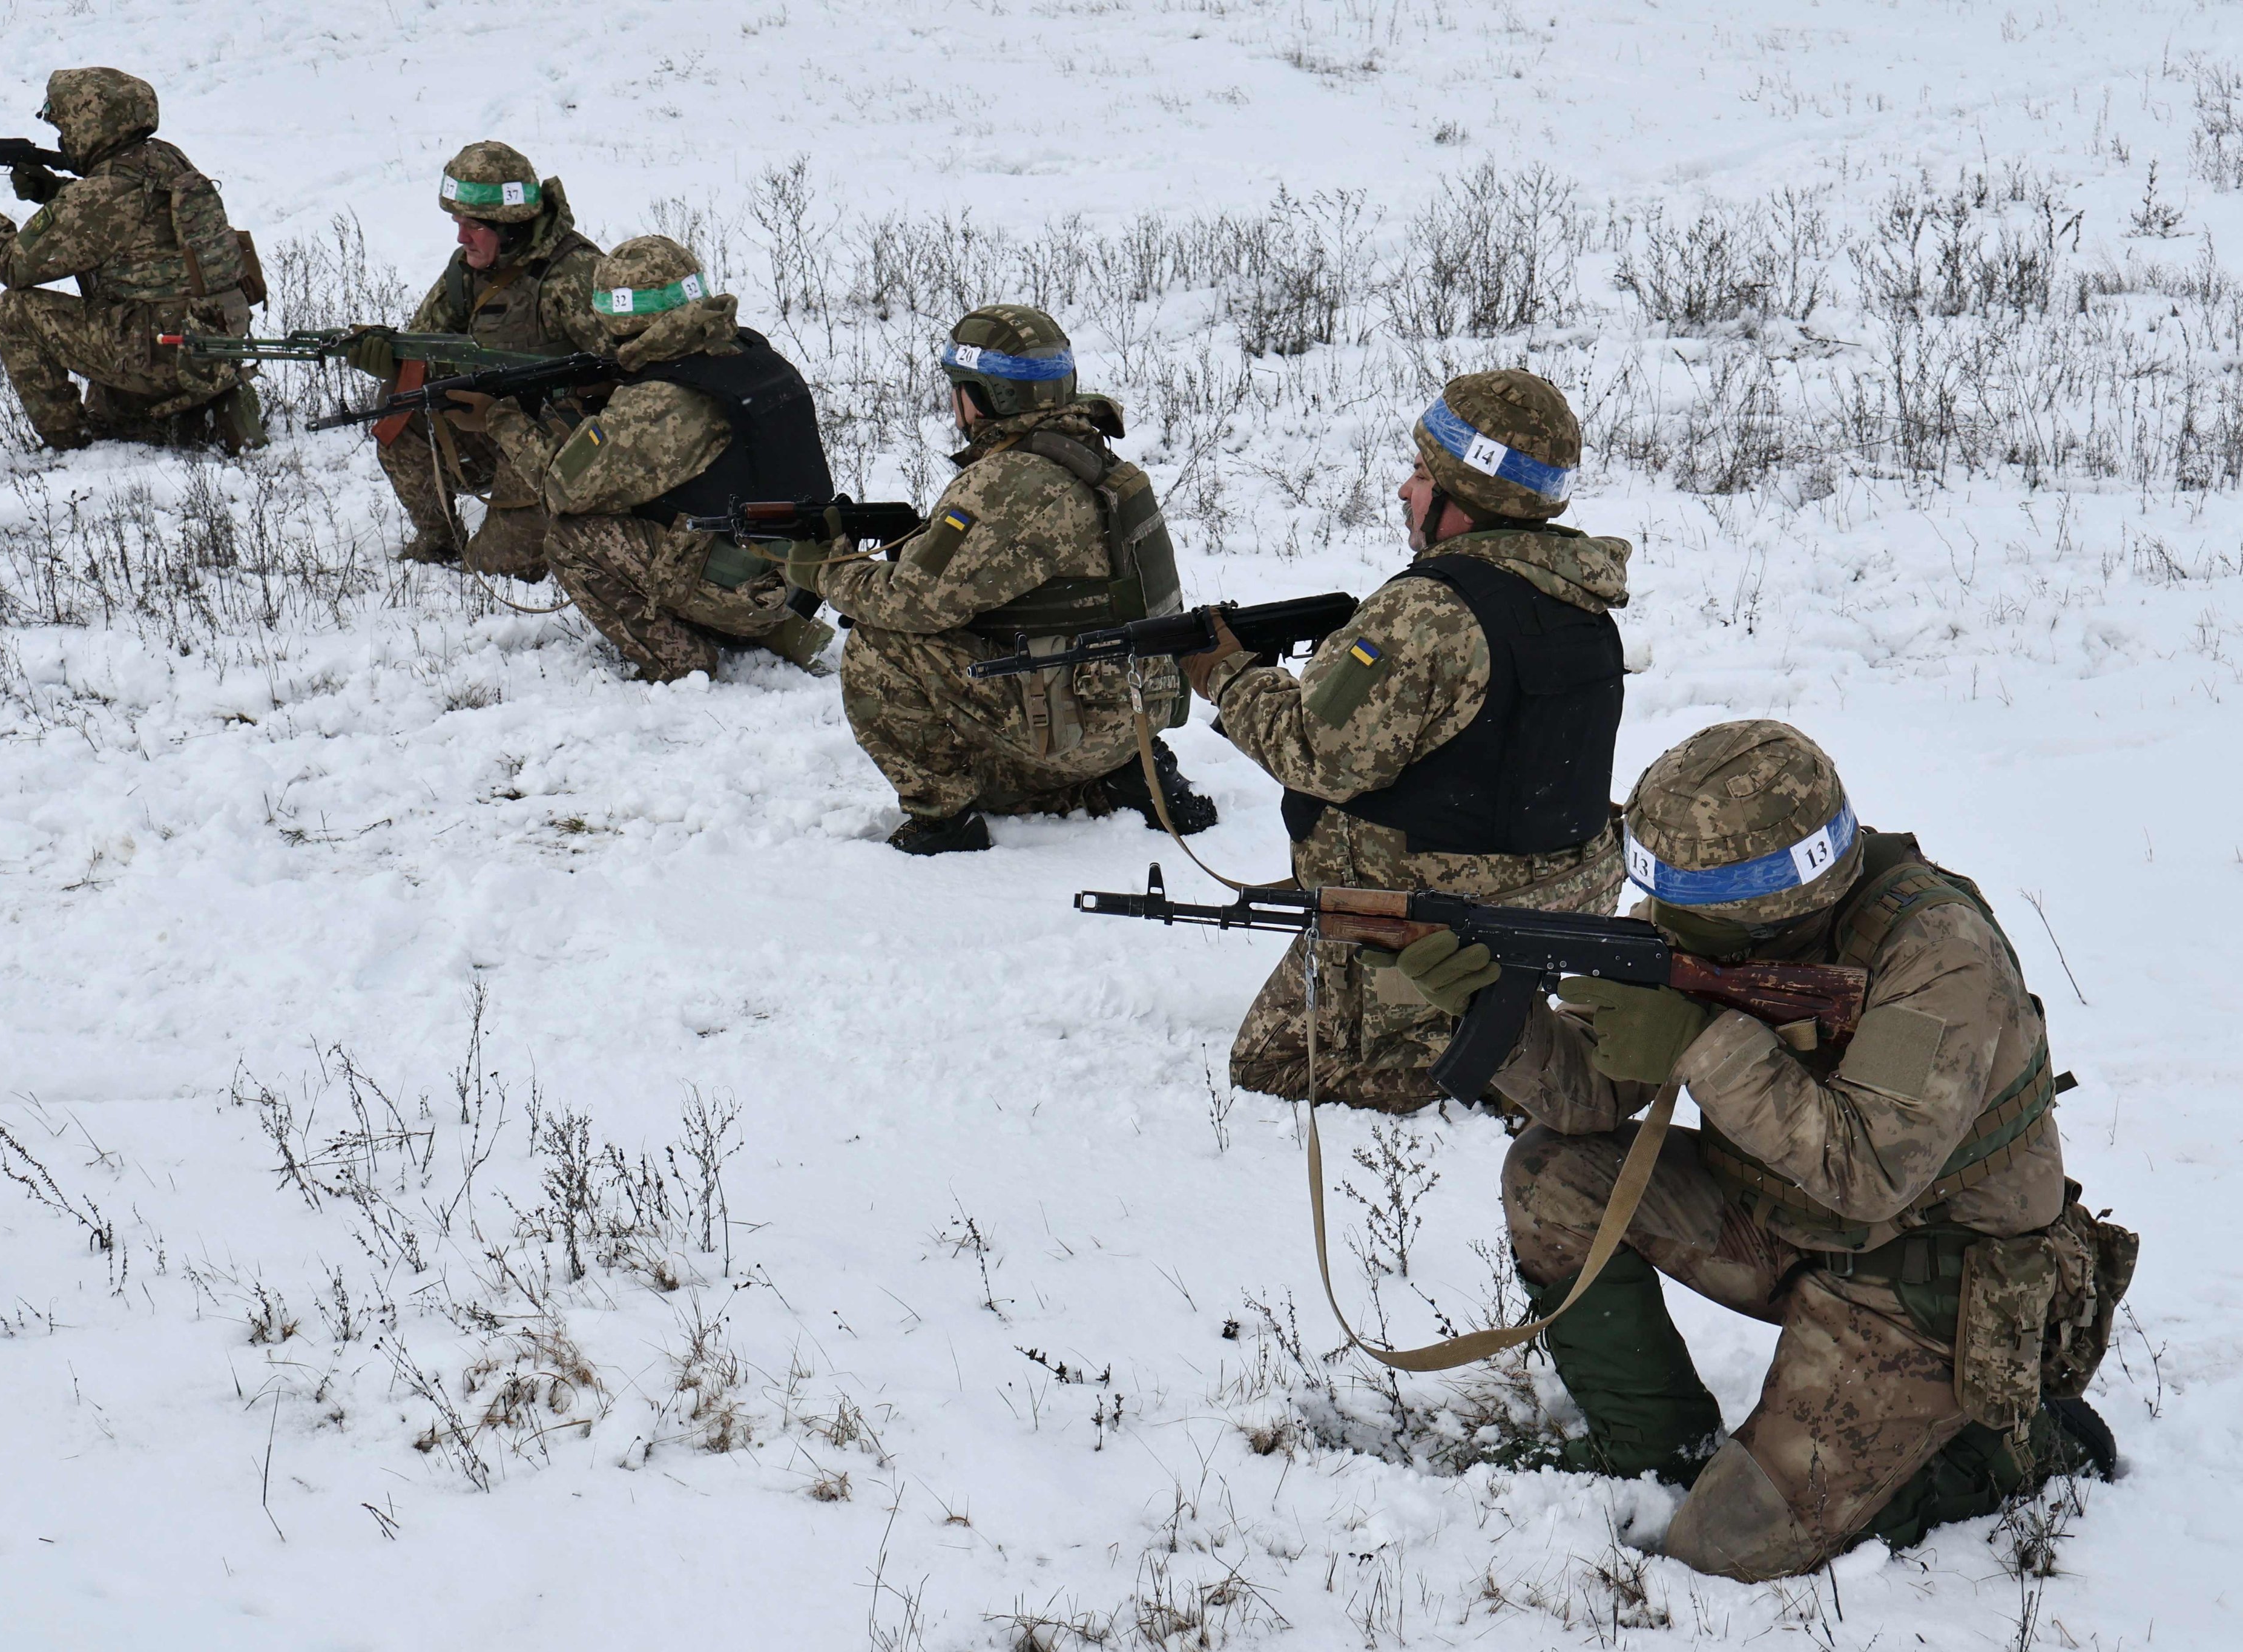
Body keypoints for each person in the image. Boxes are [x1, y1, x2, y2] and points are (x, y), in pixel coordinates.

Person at [1389, 720, 2130, 1579]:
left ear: (1764, 905)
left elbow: (1871, 1174)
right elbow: (1583, 1098)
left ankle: (2012, 1452)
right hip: (1785, 1221)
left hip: (1929, 1286)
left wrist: (1701, 1047)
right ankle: (1653, 1449)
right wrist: (1495, 1013)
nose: (1656, 919)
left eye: (1681, 907)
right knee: (1553, 1173)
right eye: (1655, 895)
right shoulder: (1710, 931)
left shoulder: (1933, 954)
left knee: (1722, 1546)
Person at [1178, 370, 1626, 1108]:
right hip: (1559, 899)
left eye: (1422, 473)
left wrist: (1226, 674)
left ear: (1468, 493)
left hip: (1439, 919)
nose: (1404, 491)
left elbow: (1314, 755)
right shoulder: (1578, 593)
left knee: (1275, 1063)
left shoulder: (1427, 611)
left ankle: (1483, 1074)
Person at [799, 304, 1214, 855]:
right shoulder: (1091, 458)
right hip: (1135, 706)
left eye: (958, 387)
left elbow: (912, 604)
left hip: (1083, 723)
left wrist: (823, 571)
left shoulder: (1010, 481)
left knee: (880, 645)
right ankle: (1117, 772)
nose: (954, 402)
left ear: (987, 395)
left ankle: (943, 819)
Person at [469, 235, 831, 679]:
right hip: (797, 579)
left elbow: (562, 490)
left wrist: (502, 420)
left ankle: (679, 659)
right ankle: (747, 623)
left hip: (741, 593)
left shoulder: (661, 400)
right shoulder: (748, 351)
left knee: (570, 536)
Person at [0, 67, 264, 453]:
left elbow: (13, 265)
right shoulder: (165, 158)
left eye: (64, 127)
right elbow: (126, 226)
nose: (61, 138)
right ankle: (154, 415)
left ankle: (71, 445)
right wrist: (55, 191)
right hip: (209, 342)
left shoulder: (104, 193)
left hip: (163, 350)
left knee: (15, 311)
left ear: (89, 123)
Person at [343, 142, 604, 579]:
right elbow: (428, 341)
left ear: (511, 227)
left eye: (474, 227)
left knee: (499, 569)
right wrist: (389, 358)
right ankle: (439, 538)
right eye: (456, 223)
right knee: (399, 414)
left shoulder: (575, 277)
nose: (461, 238)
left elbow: (624, 376)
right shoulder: (468, 268)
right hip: (491, 426)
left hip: (552, 445)